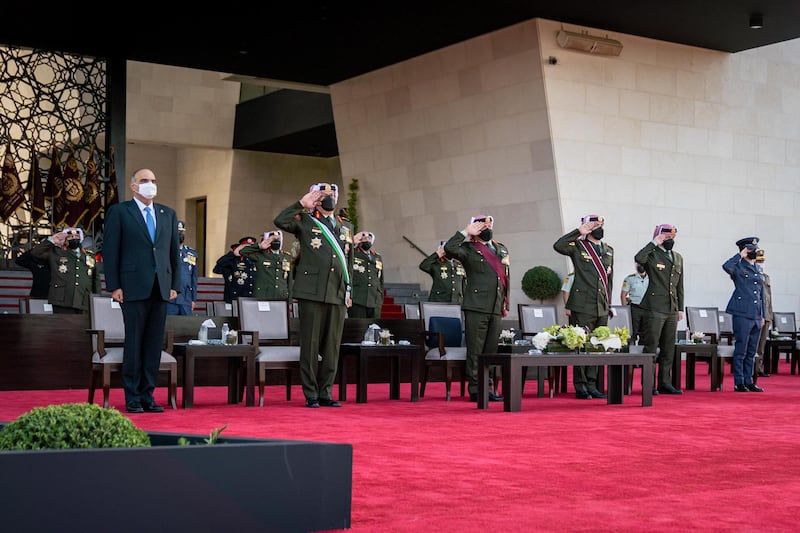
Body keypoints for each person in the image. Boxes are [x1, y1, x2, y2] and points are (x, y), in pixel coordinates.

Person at [103, 168, 180, 413]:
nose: (150, 184)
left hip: (161, 287)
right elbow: (111, 250)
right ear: (134, 186)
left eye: (153, 181)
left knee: (153, 344)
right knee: (134, 343)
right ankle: (132, 397)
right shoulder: (120, 212)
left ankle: (148, 395)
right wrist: (114, 285)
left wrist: (175, 285)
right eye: (145, 181)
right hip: (132, 287)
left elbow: (173, 254)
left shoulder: (167, 213)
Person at [274, 182, 353, 408]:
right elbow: (280, 221)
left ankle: (326, 391)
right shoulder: (305, 220)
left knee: (331, 345)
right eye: (324, 194)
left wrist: (350, 290)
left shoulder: (346, 226)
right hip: (312, 290)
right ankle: (311, 393)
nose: (329, 197)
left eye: (333, 194)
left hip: (338, 292)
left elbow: (349, 260)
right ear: (315, 197)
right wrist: (301, 204)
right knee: (310, 344)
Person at [444, 214, 508, 403]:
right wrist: (465, 232)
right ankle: (476, 388)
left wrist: (505, 301)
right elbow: (449, 248)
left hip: (495, 306)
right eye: (481, 226)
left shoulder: (500, 249)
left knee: (490, 351)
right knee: (476, 350)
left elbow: (505, 277)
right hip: (476, 306)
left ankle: (488, 388)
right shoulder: (468, 249)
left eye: (488, 225)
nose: (486, 228)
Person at [553, 214, 613, 400]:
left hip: (600, 304)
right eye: (594, 224)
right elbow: (558, 246)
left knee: (596, 344)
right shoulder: (578, 245)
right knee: (581, 344)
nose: (598, 227)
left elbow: (608, 280)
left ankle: (593, 384)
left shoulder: (608, 249)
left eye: (601, 224)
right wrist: (578, 232)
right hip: (582, 303)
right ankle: (581, 386)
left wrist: (608, 302)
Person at [634, 224, 684, 395]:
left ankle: (665, 382)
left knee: (668, 348)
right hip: (654, 307)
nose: (670, 240)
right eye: (666, 237)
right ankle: (649, 384)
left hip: (671, 308)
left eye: (672, 237)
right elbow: (639, 258)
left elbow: (679, 286)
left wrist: (680, 308)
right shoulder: (653, 253)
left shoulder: (677, 257)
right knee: (651, 347)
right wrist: (654, 242)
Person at [723, 237, 765, 392]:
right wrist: (740, 255)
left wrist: (762, 315)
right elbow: (726, 267)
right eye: (751, 249)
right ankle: (739, 382)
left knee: (751, 351)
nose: (754, 251)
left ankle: (749, 380)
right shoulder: (738, 267)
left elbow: (762, 294)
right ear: (744, 250)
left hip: (756, 315)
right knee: (741, 349)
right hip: (742, 312)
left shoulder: (758, 269)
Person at [30, 227, 100, 313]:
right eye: (70, 237)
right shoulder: (56, 252)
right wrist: (52, 240)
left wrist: (96, 300)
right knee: (62, 326)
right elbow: (35, 253)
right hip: (61, 300)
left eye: (77, 236)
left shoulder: (89, 256)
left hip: (83, 300)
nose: (74, 238)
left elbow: (95, 280)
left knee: (83, 326)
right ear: (65, 240)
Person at [239, 230, 293, 300]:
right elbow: (243, 252)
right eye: (273, 239)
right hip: (264, 294)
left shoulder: (286, 256)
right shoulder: (260, 254)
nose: (276, 241)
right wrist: (259, 246)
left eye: (278, 239)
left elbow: (289, 279)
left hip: (281, 295)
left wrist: (290, 298)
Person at [166, 220, 198, 315]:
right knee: (170, 327)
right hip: (170, 298)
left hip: (186, 298)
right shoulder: (166, 251)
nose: (179, 234)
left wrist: (193, 299)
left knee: (186, 326)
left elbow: (193, 278)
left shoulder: (191, 253)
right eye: (177, 232)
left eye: (181, 232)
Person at [350, 231, 384, 318]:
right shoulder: (353, 253)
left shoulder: (377, 257)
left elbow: (380, 279)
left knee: (374, 327)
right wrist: (352, 241)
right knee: (357, 328)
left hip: (375, 298)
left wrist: (380, 296)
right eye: (364, 238)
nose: (367, 240)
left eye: (369, 239)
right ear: (359, 241)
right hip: (358, 298)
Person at [212, 236, 257, 303]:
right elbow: (219, 265)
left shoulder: (254, 260)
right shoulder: (233, 260)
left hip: (252, 296)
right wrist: (233, 253)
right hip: (236, 296)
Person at [754, 248, 773, 378]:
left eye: (763, 261)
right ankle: (752, 368)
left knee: (762, 345)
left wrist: (770, 316)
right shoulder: (753, 275)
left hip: (766, 315)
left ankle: (759, 368)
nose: (761, 263)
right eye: (759, 261)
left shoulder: (766, 277)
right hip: (756, 314)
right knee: (754, 344)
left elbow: (769, 298)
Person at [620, 263, 649, 344]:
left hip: (647, 309)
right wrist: (625, 310)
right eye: (639, 264)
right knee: (632, 334)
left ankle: (643, 355)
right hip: (634, 309)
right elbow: (623, 295)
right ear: (636, 265)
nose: (641, 266)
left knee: (645, 335)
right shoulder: (630, 279)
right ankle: (630, 354)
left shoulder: (651, 278)